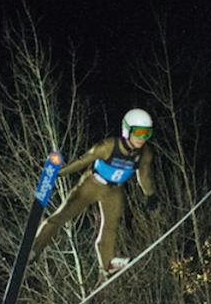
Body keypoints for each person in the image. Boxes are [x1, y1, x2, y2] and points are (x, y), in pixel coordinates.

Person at [27, 108, 156, 277]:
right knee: (62, 215)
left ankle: (107, 264)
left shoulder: (144, 153)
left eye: (147, 134)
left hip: (114, 190)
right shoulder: (108, 146)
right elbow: (82, 161)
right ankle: (34, 250)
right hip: (92, 184)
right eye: (138, 132)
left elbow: (144, 175)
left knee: (111, 226)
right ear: (127, 130)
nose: (142, 138)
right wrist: (58, 173)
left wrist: (150, 194)